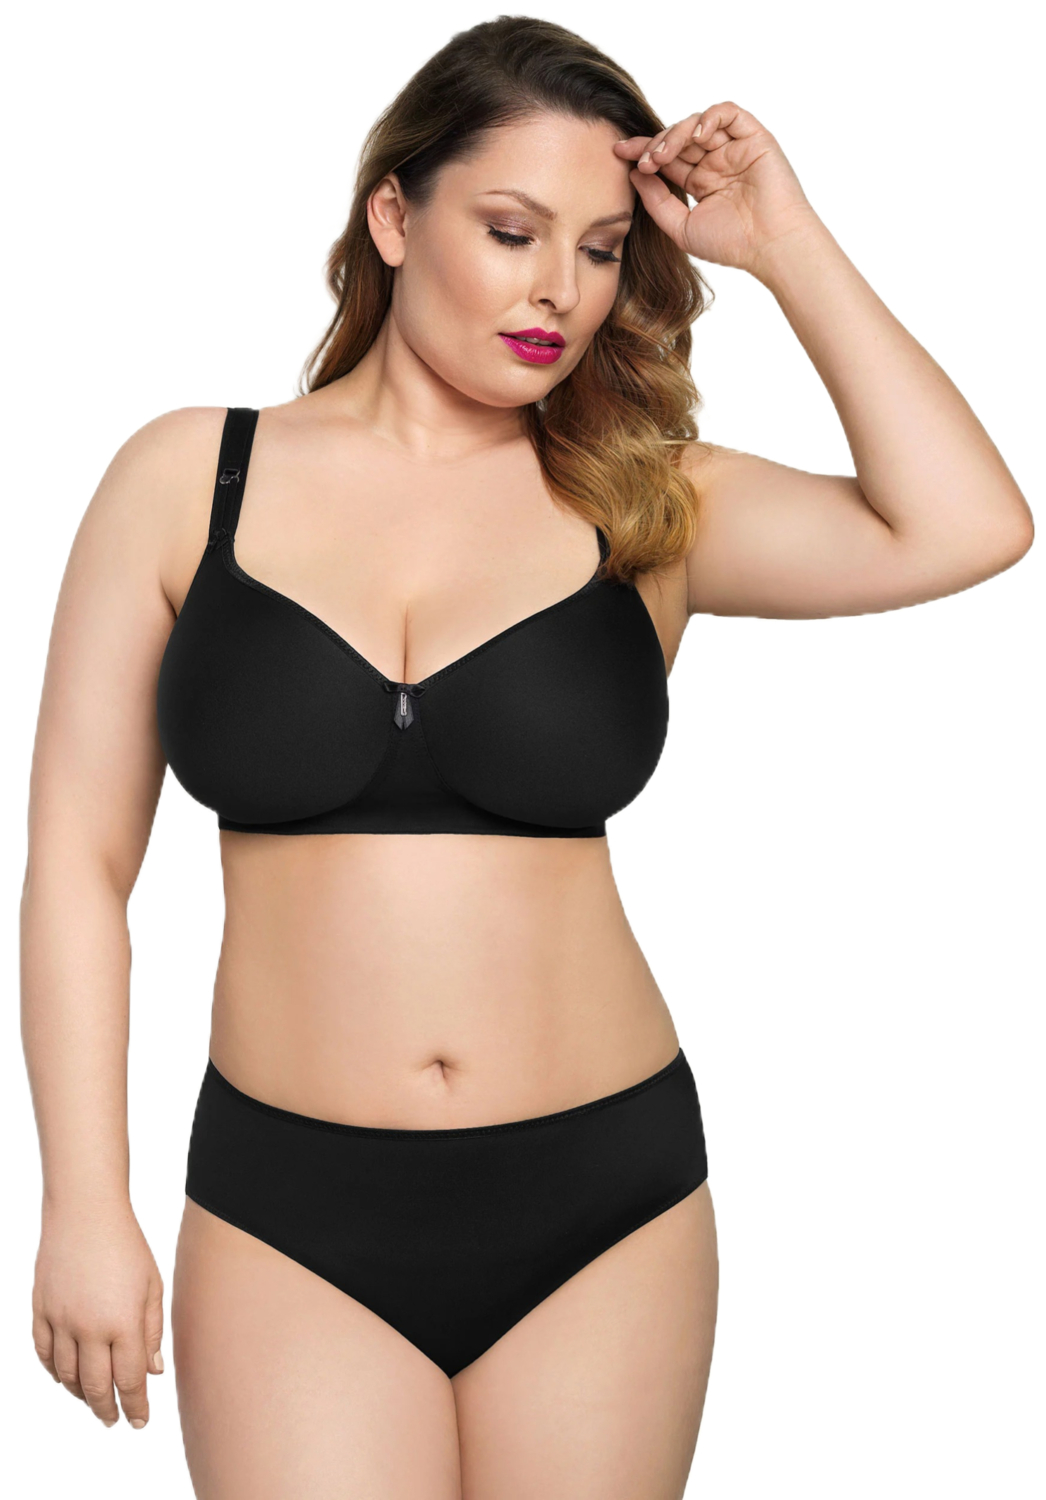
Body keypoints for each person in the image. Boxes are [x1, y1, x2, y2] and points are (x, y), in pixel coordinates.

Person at [20, 15, 1032, 1500]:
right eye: (511, 232)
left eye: (602, 248)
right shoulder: (190, 477)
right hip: (288, 1210)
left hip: (602, 1207)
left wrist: (787, 244)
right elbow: (76, 863)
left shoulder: (647, 502)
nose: (560, 287)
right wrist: (82, 1205)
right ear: (393, 217)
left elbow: (967, 525)